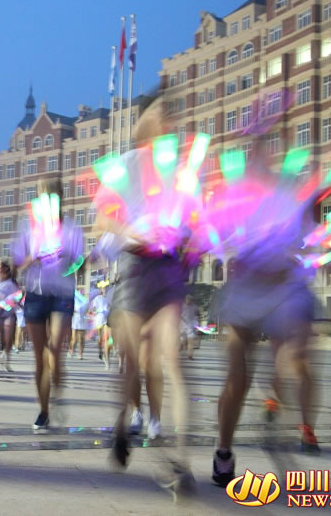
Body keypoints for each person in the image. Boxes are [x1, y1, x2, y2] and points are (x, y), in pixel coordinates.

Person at [211, 151, 320, 487]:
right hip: (244, 289)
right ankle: (224, 451)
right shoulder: (234, 199)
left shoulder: (289, 197)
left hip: (284, 287)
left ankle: (284, 424)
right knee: (238, 377)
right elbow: (213, 234)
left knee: (295, 357)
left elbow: (306, 242)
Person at [100, 110, 192, 495]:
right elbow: (102, 219)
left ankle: (179, 460)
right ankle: (124, 420)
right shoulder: (125, 166)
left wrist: (191, 239)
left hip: (169, 269)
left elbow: (196, 218)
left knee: (172, 363)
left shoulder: (183, 170)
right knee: (133, 363)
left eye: (173, 124)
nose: (170, 129)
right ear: (148, 130)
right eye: (164, 122)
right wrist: (130, 230)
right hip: (135, 265)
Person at [11, 179, 83, 432]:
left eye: (52, 196)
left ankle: (58, 394)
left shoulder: (72, 229)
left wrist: (68, 260)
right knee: (40, 359)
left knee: (54, 350)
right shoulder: (29, 229)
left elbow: (80, 264)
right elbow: (17, 264)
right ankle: (44, 411)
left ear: (60, 199)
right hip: (36, 293)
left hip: (62, 294)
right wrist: (33, 259)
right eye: (42, 196)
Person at [178, 294, 199, 360]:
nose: (189, 300)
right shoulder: (182, 306)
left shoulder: (195, 307)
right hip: (182, 326)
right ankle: (177, 352)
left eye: (191, 299)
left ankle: (190, 355)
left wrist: (197, 325)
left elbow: (197, 316)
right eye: (188, 299)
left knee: (191, 341)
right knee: (182, 343)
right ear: (185, 299)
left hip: (191, 326)